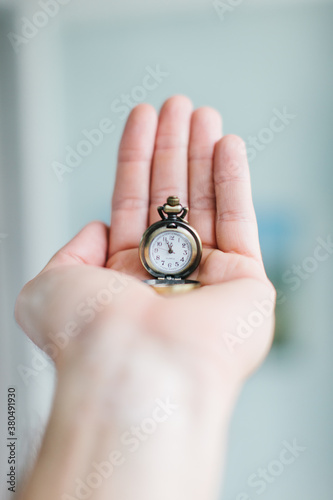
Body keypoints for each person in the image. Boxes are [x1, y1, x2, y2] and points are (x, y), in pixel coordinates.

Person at [15, 96, 276, 500]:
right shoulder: (161, 247)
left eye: (172, 251)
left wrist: (106, 355)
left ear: (180, 249)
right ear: (155, 249)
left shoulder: (177, 244)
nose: (170, 254)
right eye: (165, 251)